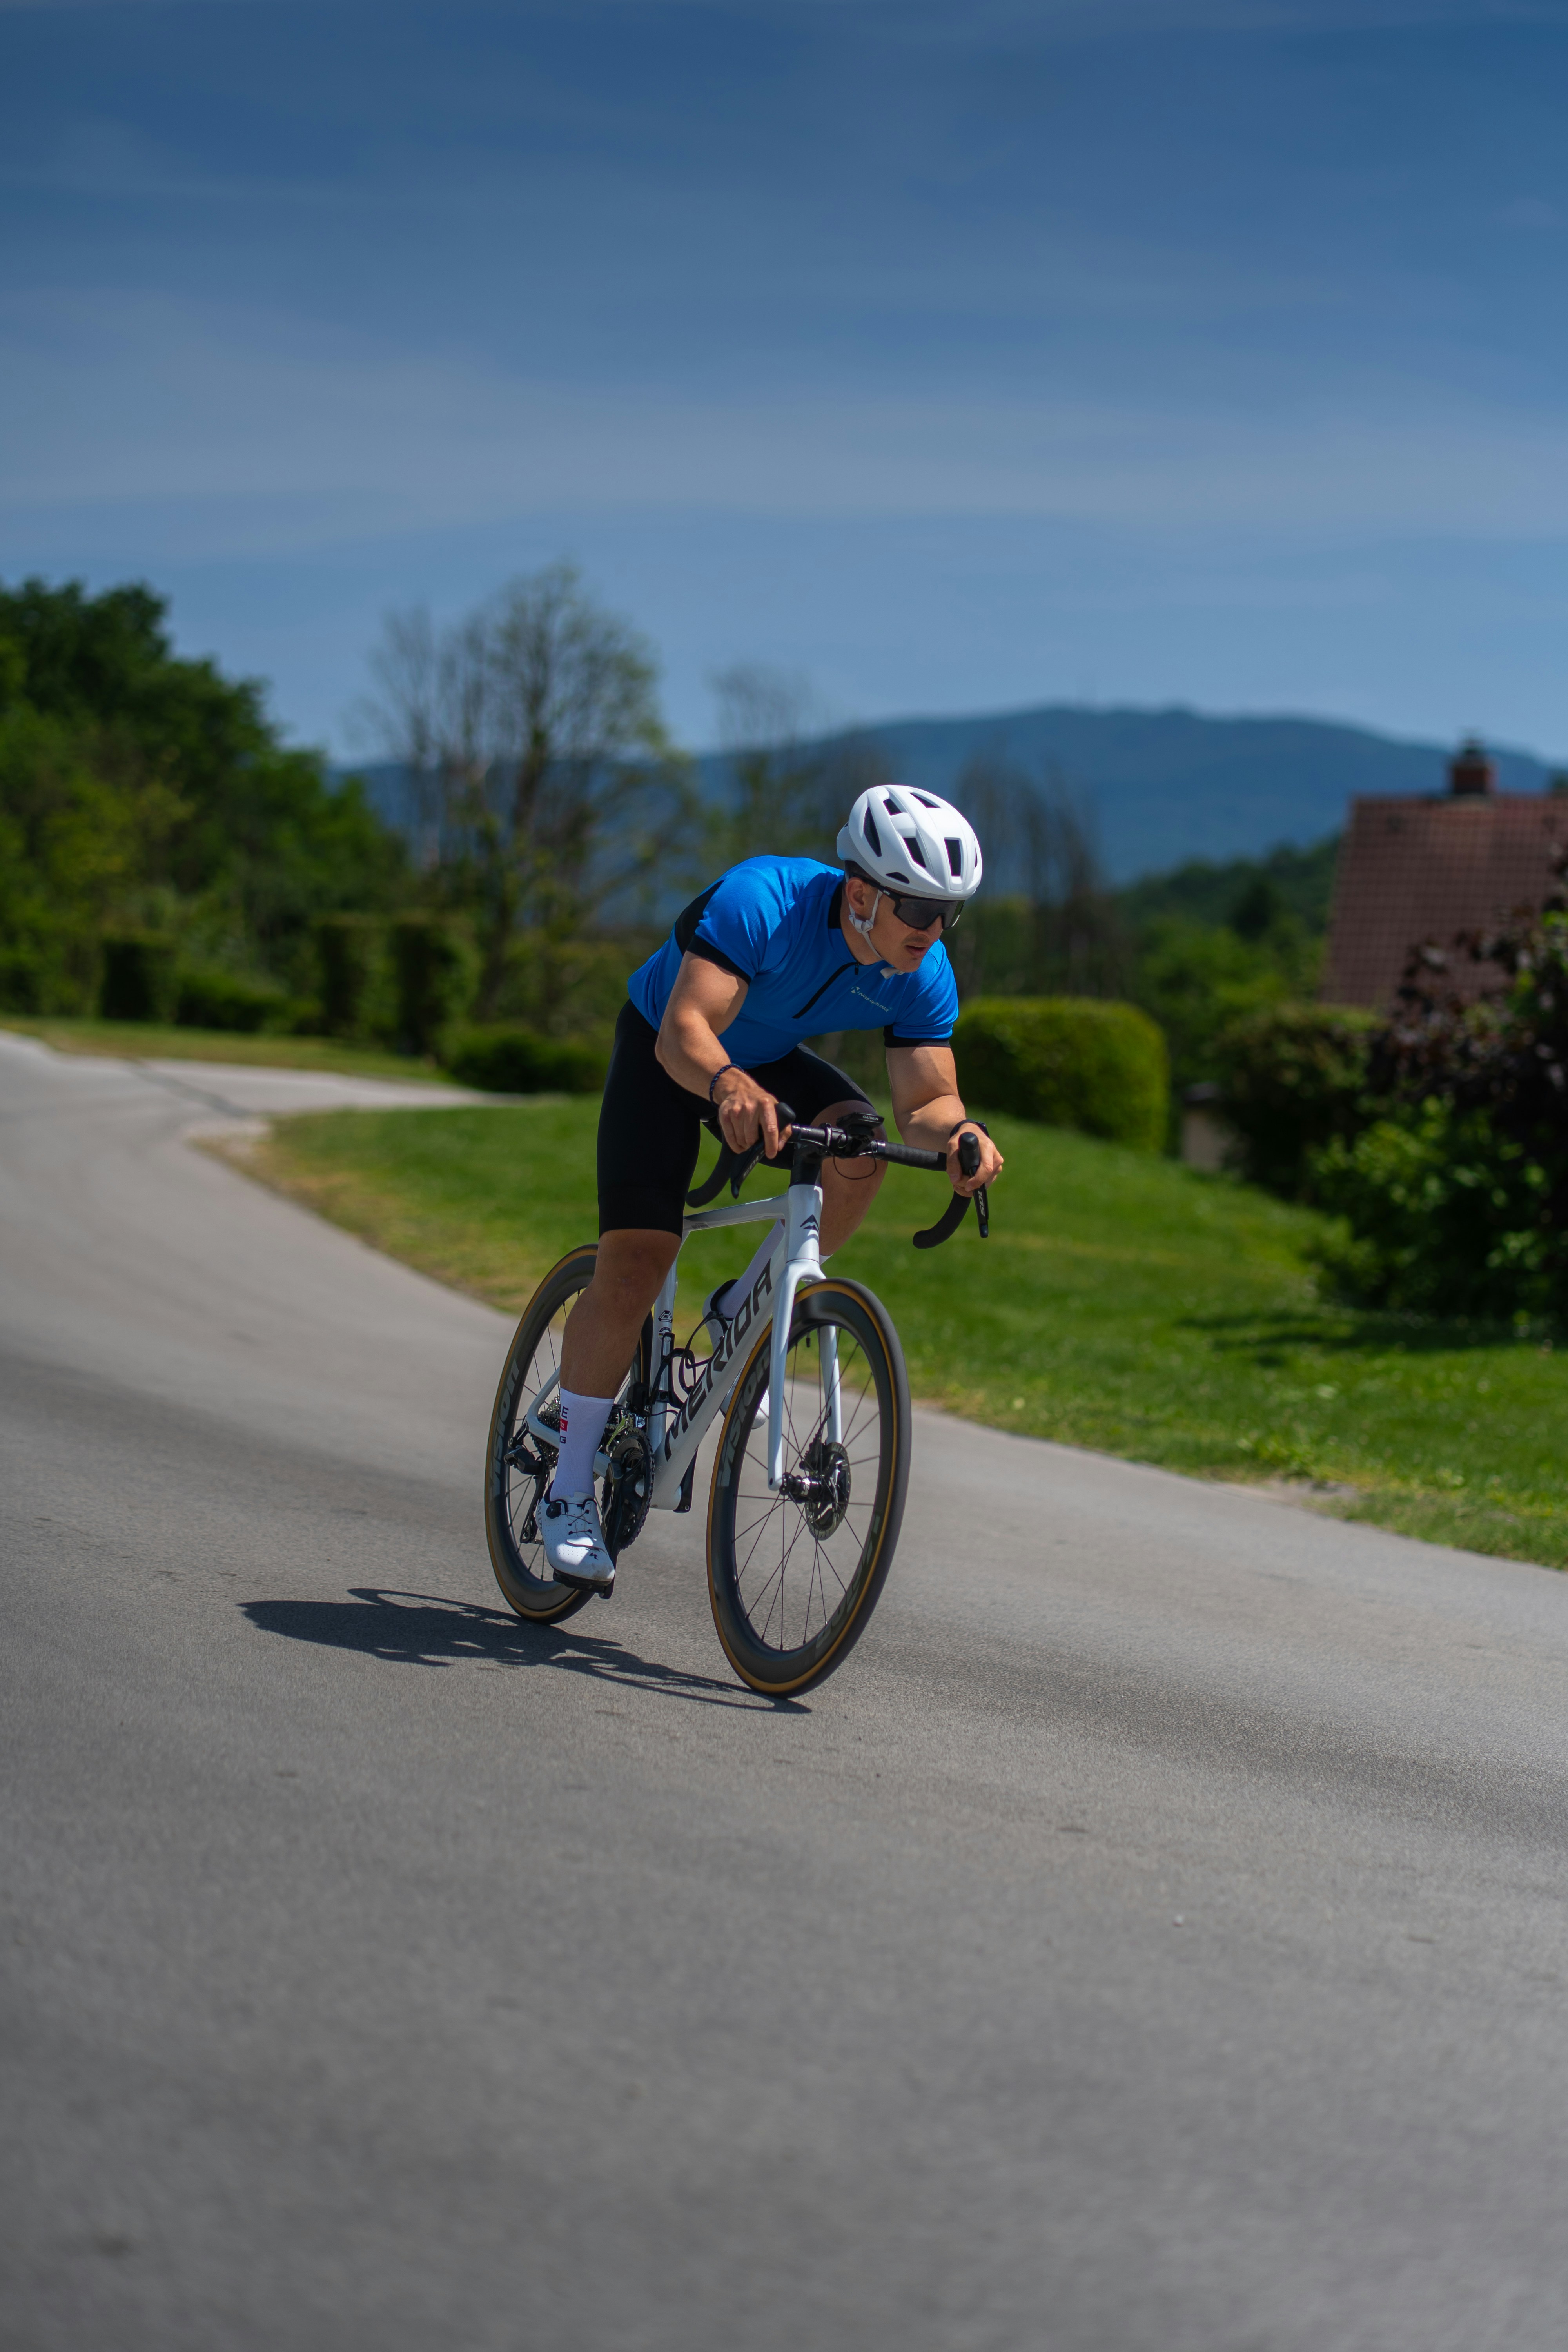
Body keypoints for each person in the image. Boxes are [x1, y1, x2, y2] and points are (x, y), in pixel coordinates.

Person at [541, 782, 1005, 1590]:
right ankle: (569, 1485)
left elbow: (926, 1102)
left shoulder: (920, 970)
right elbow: (688, 1027)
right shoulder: (765, 900)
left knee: (860, 1138)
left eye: (947, 915)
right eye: (919, 911)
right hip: (670, 1049)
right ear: (861, 892)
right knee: (637, 1261)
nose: (934, 933)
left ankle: (746, 1311)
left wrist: (963, 1135)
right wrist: (725, 1085)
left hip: (762, 1057)